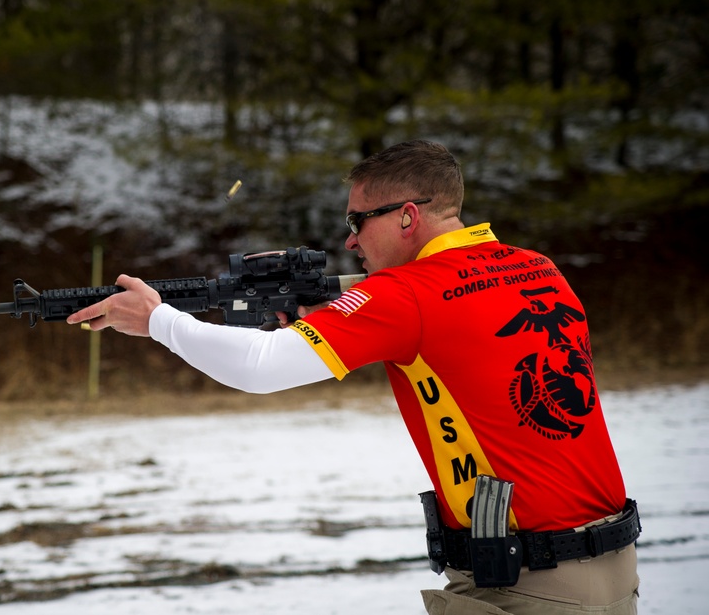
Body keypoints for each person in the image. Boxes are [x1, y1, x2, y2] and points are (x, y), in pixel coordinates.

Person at [66, 140, 640, 614]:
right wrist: (325, 296)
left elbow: (261, 368)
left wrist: (159, 320)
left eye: (357, 221)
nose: (349, 240)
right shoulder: (535, 266)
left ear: (407, 216)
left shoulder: (404, 296)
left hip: (529, 589)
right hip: (610, 570)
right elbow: (449, 306)